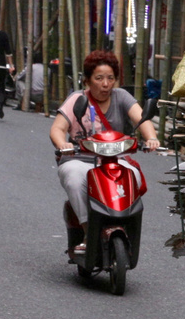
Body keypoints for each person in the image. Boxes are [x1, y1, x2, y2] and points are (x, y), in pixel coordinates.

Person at [48, 51, 159, 249]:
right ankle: (88, 231)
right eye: (99, 78)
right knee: (75, 177)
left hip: (115, 159)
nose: (105, 84)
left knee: (134, 176)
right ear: (87, 80)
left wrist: (151, 138)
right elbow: (57, 128)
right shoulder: (77, 99)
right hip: (80, 159)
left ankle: (124, 225)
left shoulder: (121, 96)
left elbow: (141, 118)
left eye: (110, 78)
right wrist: (62, 144)